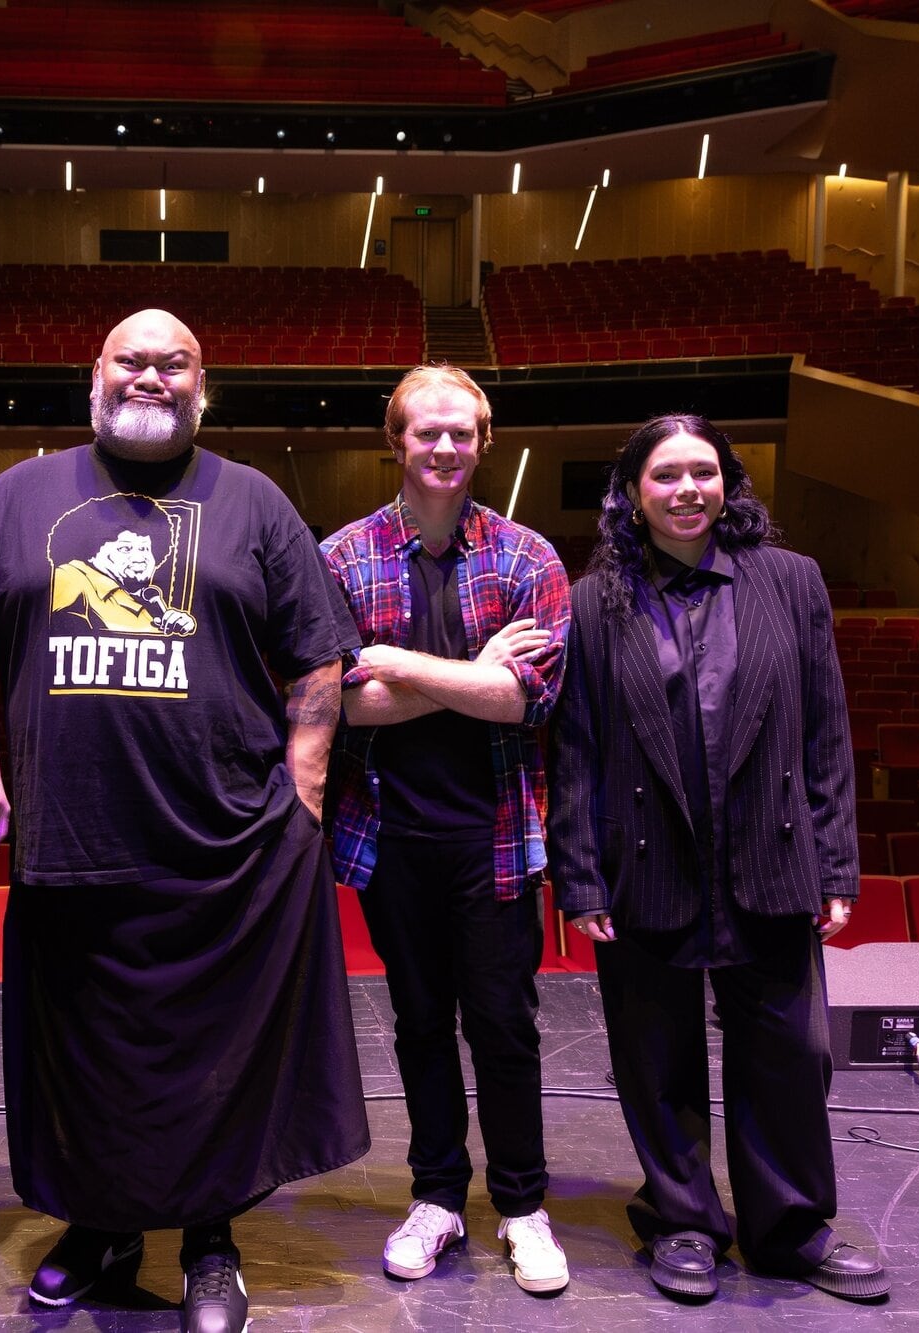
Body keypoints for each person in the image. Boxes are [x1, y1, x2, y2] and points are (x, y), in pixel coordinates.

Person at [0, 309, 370, 1333]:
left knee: (213, 1057)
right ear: (94, 376)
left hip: (221, 845)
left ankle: (211, 1241)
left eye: (172, 363)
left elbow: (317, 654)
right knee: (85, 1061)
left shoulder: (253, 501)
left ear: (200, 385)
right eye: (130, 360)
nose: (149, 376)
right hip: (67, 838)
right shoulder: (17, 494)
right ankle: (102, 1227)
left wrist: (303, 784)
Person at [544, 414, 889, 1304]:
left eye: (705, 471)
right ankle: (685, 1221)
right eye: (666, 475)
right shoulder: (593, 599)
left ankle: (791, 1226)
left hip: (771, 860)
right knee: (656, 1059)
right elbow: (576, 748)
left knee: (787, 1052)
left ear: (729, 484)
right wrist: (578, 874)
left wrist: (837, 864)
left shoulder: (792, 581)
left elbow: (826, 733)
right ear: (630, 493)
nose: (688, 489)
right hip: (644, 863)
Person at [320, 365, 572, 1295]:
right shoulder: (342, 557)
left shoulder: (528, 558)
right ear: (395, 440)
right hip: (391, 840)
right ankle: (435, 1196)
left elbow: (522, 702)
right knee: (421, 1024)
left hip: (498, 837)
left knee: (504, 1024)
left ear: (484, 440)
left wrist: (390, 663)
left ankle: (522, 1206)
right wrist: (464, 675)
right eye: (426, 432)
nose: (444, 448)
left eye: (461, 432)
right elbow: (343, 706)